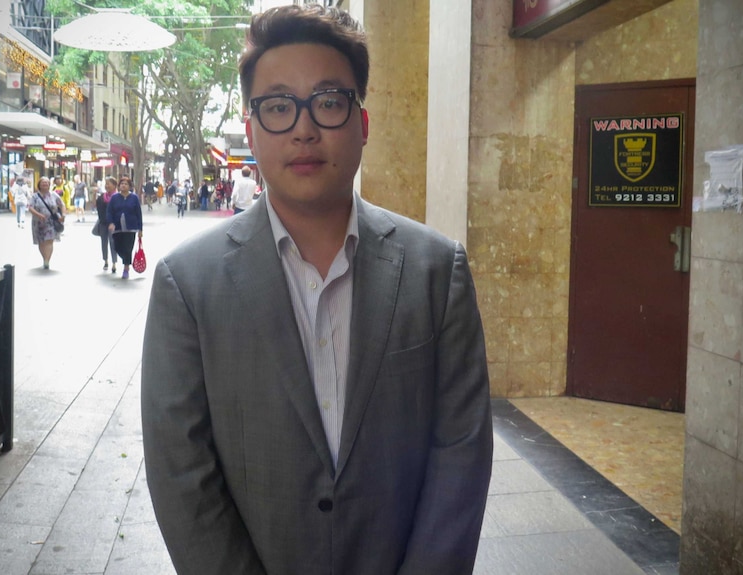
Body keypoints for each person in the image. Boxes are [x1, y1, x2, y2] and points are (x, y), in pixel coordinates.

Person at [141, 6, 493, 575]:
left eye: (328, 102)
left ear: (363, 123)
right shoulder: (188, 283)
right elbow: (181, 473)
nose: (303, 129)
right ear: (252, 130)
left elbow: (461, 453)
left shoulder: (435, 270)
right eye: (278, 107)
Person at [106, 175, 142, 279]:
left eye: (126, 184)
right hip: (117, 227)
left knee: (128, 248)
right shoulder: (115, 198)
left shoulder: (134, 198)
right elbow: (109, 211)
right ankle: (126, 260)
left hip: (131, 227)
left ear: (130, 187)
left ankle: (126, 268)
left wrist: (140, 229)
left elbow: (138, 214)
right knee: (117, 247)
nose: (123, 186)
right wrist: (111, 222)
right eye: (122, 184)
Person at [28, 176, 66, 270]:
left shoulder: (54, 195)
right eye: (42, 183)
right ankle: (44, 258)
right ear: (39, 185)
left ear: (49, 185)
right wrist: (39, 215)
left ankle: (47, 261)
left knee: (49, 241)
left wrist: (63, 215)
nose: (45, 184)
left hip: (51, 222)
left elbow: (62, 204)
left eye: (47, 183)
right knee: (41, 242)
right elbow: (30, 207)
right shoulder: (35, 196)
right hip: (39, 222)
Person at [95, 176, 119, 274]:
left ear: (114, 185)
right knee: (103, 242)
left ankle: (114, 263)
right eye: (106, 184)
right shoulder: (101, 197)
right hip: (103, 224)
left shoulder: (118, 197)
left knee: (113, 243)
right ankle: (105, 261)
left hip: (113, 224)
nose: (107, 186)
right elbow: (98, 209)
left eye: (109, 184)